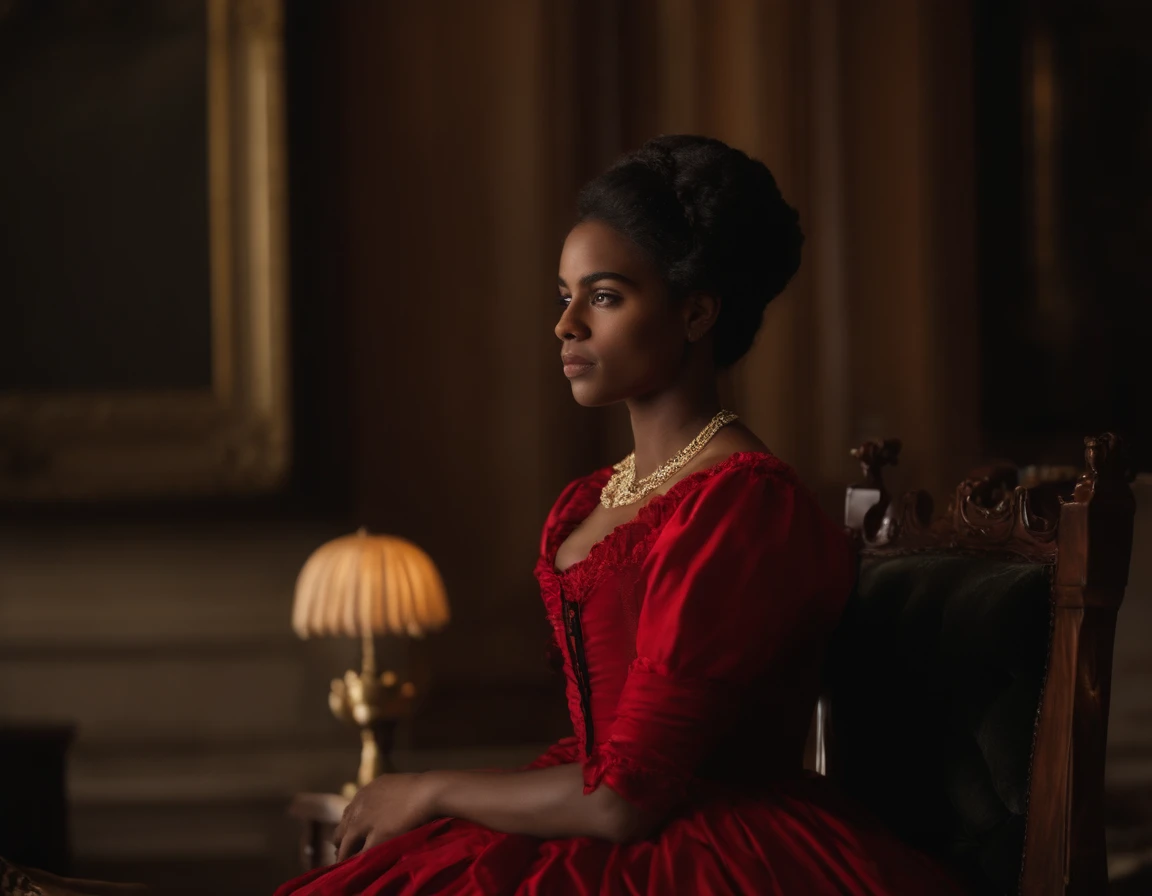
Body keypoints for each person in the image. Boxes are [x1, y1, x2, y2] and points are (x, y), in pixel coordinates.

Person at [274, 135, 968, 895]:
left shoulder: (742, 503)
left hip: (704, 847)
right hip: (595, 810)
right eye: (563, 296)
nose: (566, 325)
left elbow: (623, 799)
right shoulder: (592, 498)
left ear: (697, 311)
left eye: (603, 296)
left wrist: (430, 788)